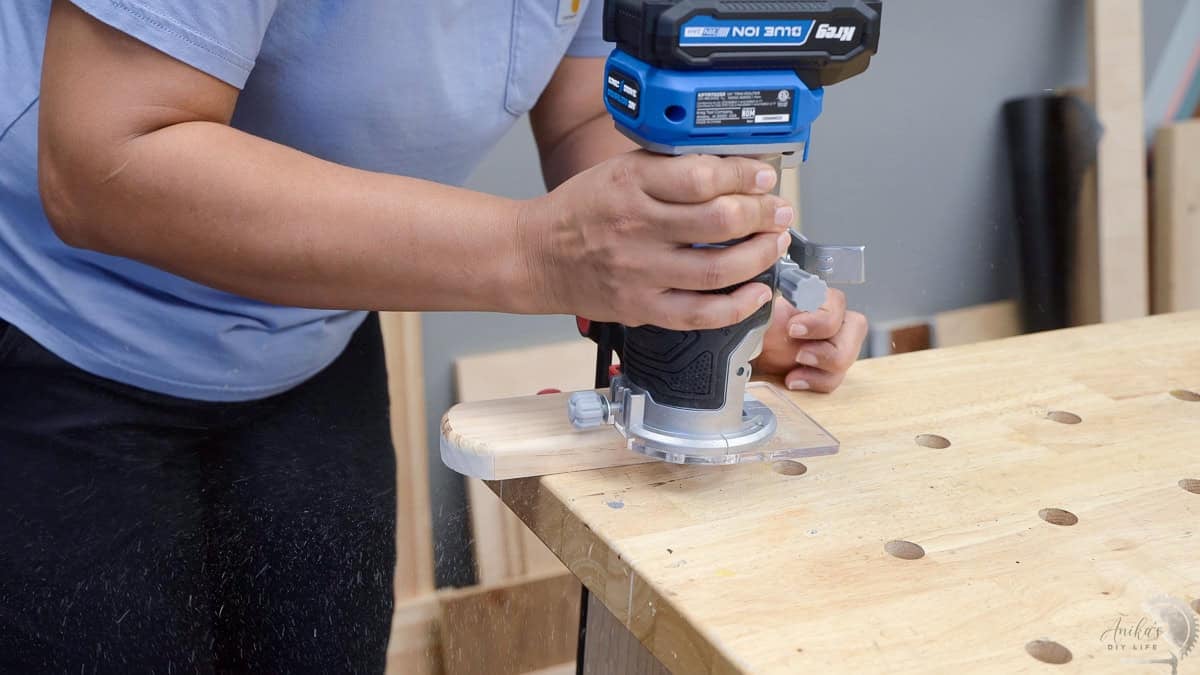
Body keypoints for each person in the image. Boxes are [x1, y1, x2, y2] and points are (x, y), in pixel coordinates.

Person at [0, 0, 869, 671]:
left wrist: (705, 284)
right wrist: (537, 252)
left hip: (312, 332)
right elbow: (104, 165)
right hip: (54, 337)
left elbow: (584, 116)